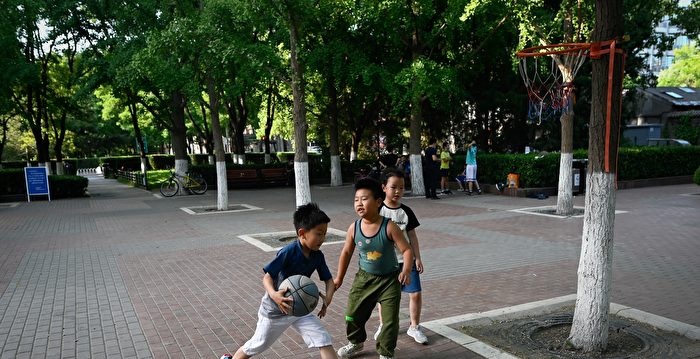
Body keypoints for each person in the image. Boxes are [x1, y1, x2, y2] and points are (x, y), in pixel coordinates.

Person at [231, 203, 337, 359]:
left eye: (325, 234)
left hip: (301, 308)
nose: (322, 238)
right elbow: (267, 277)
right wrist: (274, 295)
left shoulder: (318, 256)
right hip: (275, 310)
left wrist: (328, 298)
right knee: (256, 345)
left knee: (323, 339)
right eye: (319, 233)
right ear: (302, 233)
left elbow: (328, 280)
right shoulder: (288, 252)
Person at [335, 178, 414, 359]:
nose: (359, 203)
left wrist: (406, 271)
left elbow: (407, 250)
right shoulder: (354, 228)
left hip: (389, 281)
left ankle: (385, 353)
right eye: (356, 199)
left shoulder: (389, 226)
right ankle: (356, 341)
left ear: (378, 202)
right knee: (351, 315)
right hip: (364, 279)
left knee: (390, 321)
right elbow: (346, 253)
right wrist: (338, 278)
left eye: (364, 199)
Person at [372, 168, 428, 345]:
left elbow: (412, 236)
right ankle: (383, 325)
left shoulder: (406, 212)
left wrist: (417, 257)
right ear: (383, 187)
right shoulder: (378, 210)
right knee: (384, 297)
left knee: (415, 294)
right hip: (385, 263)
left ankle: (414, 327)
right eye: (393, 187)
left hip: (407, 261)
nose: (398, 191)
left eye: (402, 188)